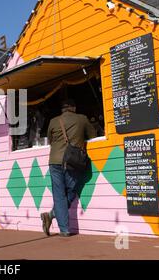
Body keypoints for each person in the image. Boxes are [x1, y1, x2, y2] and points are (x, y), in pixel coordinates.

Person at [41, 99, 96, 237]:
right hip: (72, 161)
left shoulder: (54, 121)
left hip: (54, 161)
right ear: (74, 108)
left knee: (59, 195)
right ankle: (61, 225)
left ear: (62, 110)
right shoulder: (82, 119)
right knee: (72, 189)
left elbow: (50, 139)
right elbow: (93, 136)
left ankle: (55, 218)